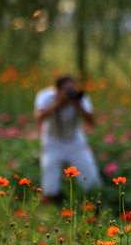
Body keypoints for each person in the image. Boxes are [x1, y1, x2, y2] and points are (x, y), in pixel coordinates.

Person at [34, 75, 102, 204]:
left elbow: (91, 121)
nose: (71, 91)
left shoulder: (80, 98)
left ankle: (93, 205)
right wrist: (57, 103)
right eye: (67, 89)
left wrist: (78, 105)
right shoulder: (46, 96)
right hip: (52, 143)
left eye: (72, 88)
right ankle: (50, 207)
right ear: (57, 90)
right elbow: (39, 116)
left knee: (91, 180)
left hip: (76, 143)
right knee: (50, 183)